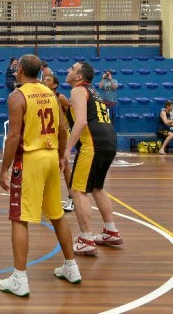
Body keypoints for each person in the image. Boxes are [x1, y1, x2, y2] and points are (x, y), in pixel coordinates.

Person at [0, 55, 81, 297]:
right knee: (56, 214)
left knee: (19, 218)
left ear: (21, 69)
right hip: (51, 156)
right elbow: (63, 128)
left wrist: (4, 168)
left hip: (31, 159)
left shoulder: (18, 96)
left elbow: (13, 137)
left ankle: (20, 278)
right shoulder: (50, 93)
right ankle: (71, 267)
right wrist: (63, 156)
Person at [63, 61, 122, 257]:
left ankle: (86, 239)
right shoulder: (94, 92)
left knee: (77, 190)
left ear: (79, 77)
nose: (68, 70)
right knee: (97, 187)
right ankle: (111, 230)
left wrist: (67, 149)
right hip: (109, 141)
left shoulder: (78, 91)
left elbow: (80, 122)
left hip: (93, 144)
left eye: (72, 69)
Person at [43, 74, 74, 212]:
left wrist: (68, 129)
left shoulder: (61, 98)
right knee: (47, 166)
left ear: (55, 85)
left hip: (61, 135)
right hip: (47, 135)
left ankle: (72, 198)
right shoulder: (41, 97)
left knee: (65, 166)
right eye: (44, 79)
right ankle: (47, 198)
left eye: (48, 80)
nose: (44, 81)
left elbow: (72, 114)